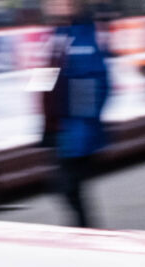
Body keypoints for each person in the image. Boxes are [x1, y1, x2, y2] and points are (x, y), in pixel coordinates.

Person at [40, 0, 110, 228]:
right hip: (57, 125)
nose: (55, 5)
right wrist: (44, 118)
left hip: (75, 128)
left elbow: (96, 81)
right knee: (67, 188)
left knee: (67, 186)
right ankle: (84, 230)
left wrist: (79, 127)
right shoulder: (55, 35)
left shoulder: (84, 36)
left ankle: (85, 231)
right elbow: (45, 75)